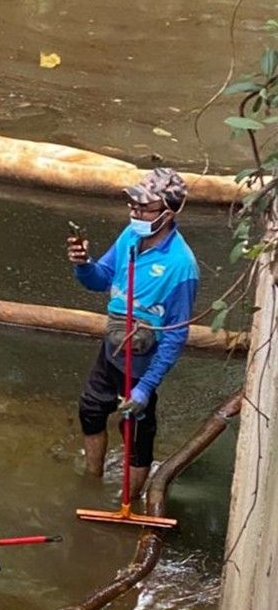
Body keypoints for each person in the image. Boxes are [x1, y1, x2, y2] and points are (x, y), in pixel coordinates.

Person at [67, 168, 199, 498]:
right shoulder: (130, 236)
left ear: (167, 213)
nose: (135, 214)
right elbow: (101, 279)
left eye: (144, 208)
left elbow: (175, 334)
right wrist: (84, 264)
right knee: (91, 410)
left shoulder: (182, 266)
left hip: (141, 362)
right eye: (133, 207)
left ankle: (130, 501)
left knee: (136, 435)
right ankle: (91, 482)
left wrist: (146, 387)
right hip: (112, 347)